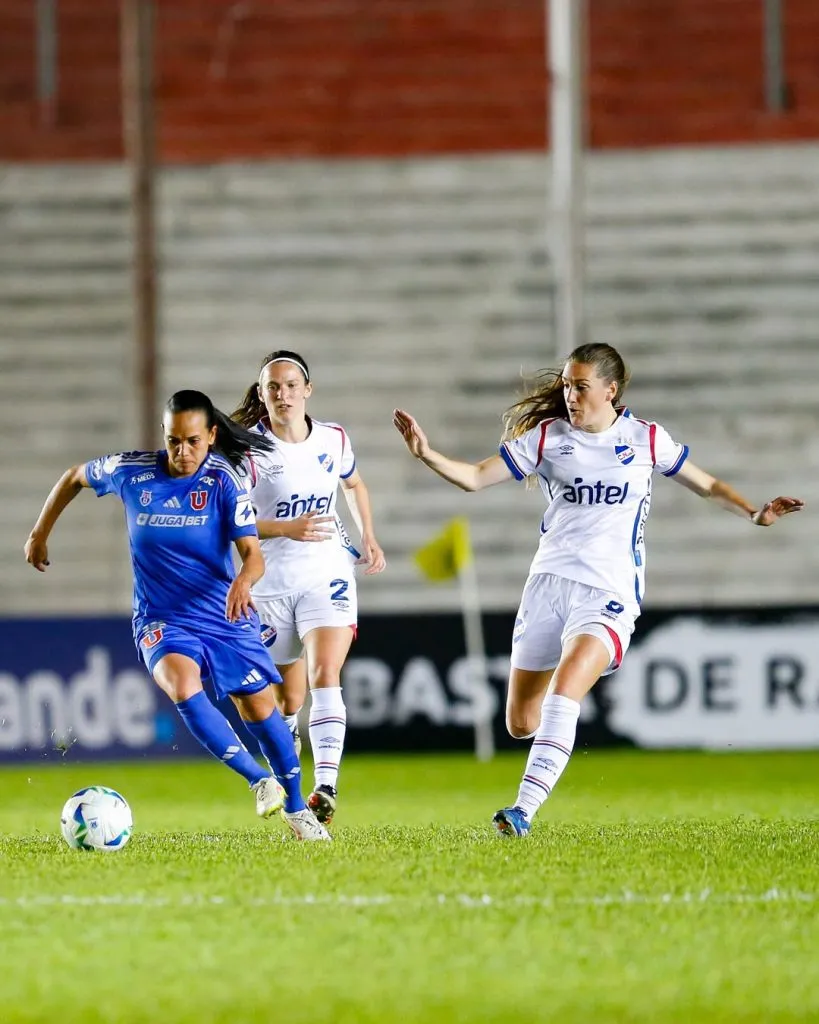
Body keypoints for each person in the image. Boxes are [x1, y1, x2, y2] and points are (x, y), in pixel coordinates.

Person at [394, 343, 804, 838]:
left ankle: (521, 811)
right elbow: (477, 478)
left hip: (608, 590)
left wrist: (754, 512)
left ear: (611, 390)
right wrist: (427, 454)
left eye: (580, 386)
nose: (570, 395)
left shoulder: (646, 439)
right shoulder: (547, 438)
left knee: (564, 691)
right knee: (522, 723)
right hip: (547, 585)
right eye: (567, 385)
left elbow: (706, 484)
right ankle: (559, 725)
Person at [24, 389, 330, 841]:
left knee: (262, 709)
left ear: (210, 435)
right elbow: (74, 476)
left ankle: (297, 807)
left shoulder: (224, 481)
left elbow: (252, 553)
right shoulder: (131, 472)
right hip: (161, 617)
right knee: (181, 684)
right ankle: (257, 780)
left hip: (224, 614)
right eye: (172, 441)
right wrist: (39, 532)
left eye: (191, 441)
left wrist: (245, 580)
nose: (181, 452)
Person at [233, 350, 386, 825]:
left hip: (327, 574)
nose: (282, 394)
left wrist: (368, 537)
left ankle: (324, 786)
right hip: (271, 585)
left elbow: (354, 485)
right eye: (272, 387)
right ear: (262, 395)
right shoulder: (247, 451)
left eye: (290, 385)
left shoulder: (334, 439)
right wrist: (285, 528)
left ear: (307, 390)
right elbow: (232, 521)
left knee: (326, 674)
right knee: (288, 701)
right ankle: (289, 745)